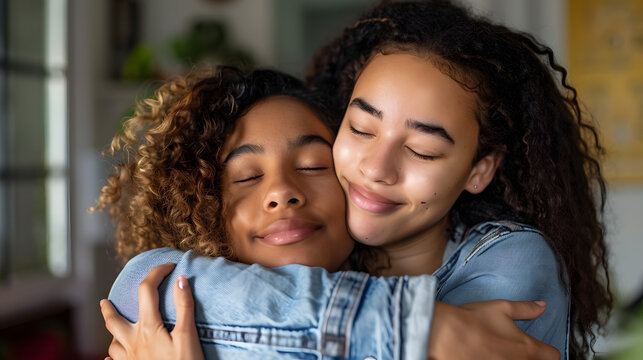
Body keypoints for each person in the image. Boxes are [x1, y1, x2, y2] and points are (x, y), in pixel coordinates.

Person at [100, 0, 612, 358]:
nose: (375, 168)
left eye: (421, 149)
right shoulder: (320, 265)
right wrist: (415, 327)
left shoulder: (511, 266)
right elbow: (140, 282)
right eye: (361, 128)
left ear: (479, 168)